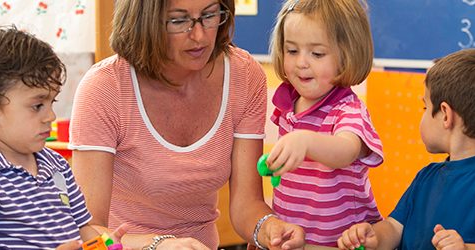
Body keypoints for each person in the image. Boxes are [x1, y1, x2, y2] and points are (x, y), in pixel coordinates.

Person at [69, 0, 305, 249]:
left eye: (210, 15)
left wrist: (269, 228)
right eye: (179, 20)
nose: (200, 35)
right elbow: (88, 231)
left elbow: (246, 204)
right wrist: (158, 245)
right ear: (145, 21)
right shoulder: (105, 88)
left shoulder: (244, 75)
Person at [338, 48, 475, 250]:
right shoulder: (426, 177)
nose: (422, 115)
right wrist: (374, 237)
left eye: (425, 107)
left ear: (445, 115)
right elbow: (394, 228)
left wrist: (466, 248)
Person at [0, 26, 102, 249]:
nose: (51, 116)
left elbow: (84, 229)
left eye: (51, 103)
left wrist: (105, 245)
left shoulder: (57, 165)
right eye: (37, 106)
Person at [263, 0, 383, 247]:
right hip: (297, 240)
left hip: (341, 242)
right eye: (292, 51)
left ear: (347, 55)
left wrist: (305, 141)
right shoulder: (288, 105)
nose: (301, 63)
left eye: (317, 53)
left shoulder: (348, 109)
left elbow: (346, 151)